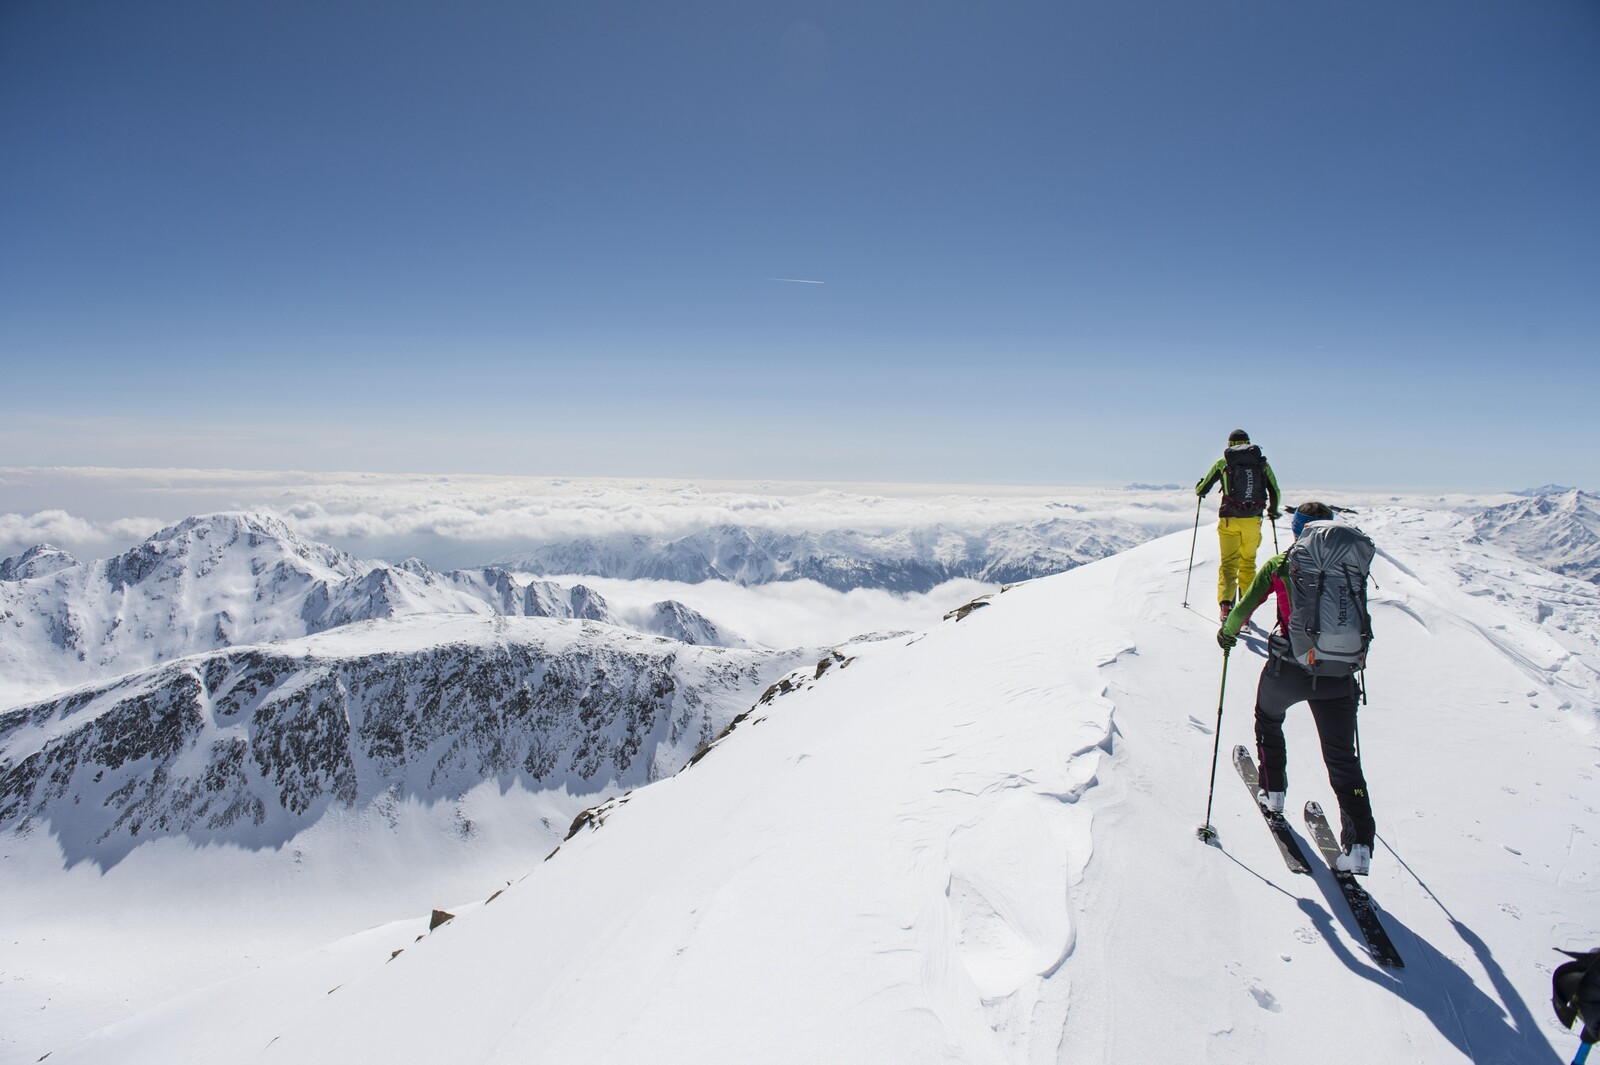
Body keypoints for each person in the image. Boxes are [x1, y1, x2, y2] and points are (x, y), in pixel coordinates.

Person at [1216, 501, 1375, 874]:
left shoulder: (1282, 564)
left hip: (1289, 669)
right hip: (1340, 676)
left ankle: (1273, 792)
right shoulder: (1350, 566)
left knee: (1268, 718)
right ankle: (1359, 847)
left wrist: (1227, 634)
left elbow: (1245, 607)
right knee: (1342, 758)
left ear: (1298, 530)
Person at [1195, 429, 1282, 623]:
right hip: (1253, 521)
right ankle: (1245, 611)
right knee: (1248, 563)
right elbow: (1275, 490)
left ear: (1230, 445)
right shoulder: (1261, 464)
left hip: (1229, 520)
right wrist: (1272, 511)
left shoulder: (1223, 463)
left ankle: (1226, 608)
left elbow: (1203, 489)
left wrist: (1199, 488)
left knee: (1228, 564)